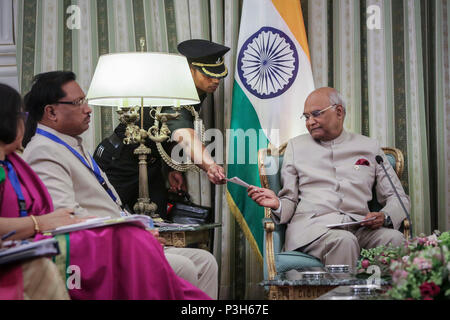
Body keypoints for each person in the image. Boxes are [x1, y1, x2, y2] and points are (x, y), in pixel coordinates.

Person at [0, 82, 210, 299]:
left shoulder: (33, 155)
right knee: (183, 266)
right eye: (78, 103)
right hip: (88, 246)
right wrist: (131, 235)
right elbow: (62, 218)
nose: (88, 109)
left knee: (205, 262)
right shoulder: (42, 150)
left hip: (101, 240)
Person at [247, 87, 409, 269]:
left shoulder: (369, 147)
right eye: (306, 117)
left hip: (359, 227)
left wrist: (385, 217)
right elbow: (289, 199)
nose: (310, 122)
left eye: (316, 114)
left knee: (394, 239)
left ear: (339, 111)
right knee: (343, 241)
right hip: (313, 230)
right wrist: (277, 203)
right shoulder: (296, 147)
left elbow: (399, 198)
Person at [93, 39, 230, 220]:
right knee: (108, 219)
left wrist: (173, 169)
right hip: (120, 161)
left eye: (218, 75)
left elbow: (167, 130)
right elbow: (185, 136)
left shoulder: (198, 89)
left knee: (158, 220)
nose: (215, 80)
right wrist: (210, 165)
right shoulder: (176, 92)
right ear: (190, 70)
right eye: (209, 75)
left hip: (151, 162)